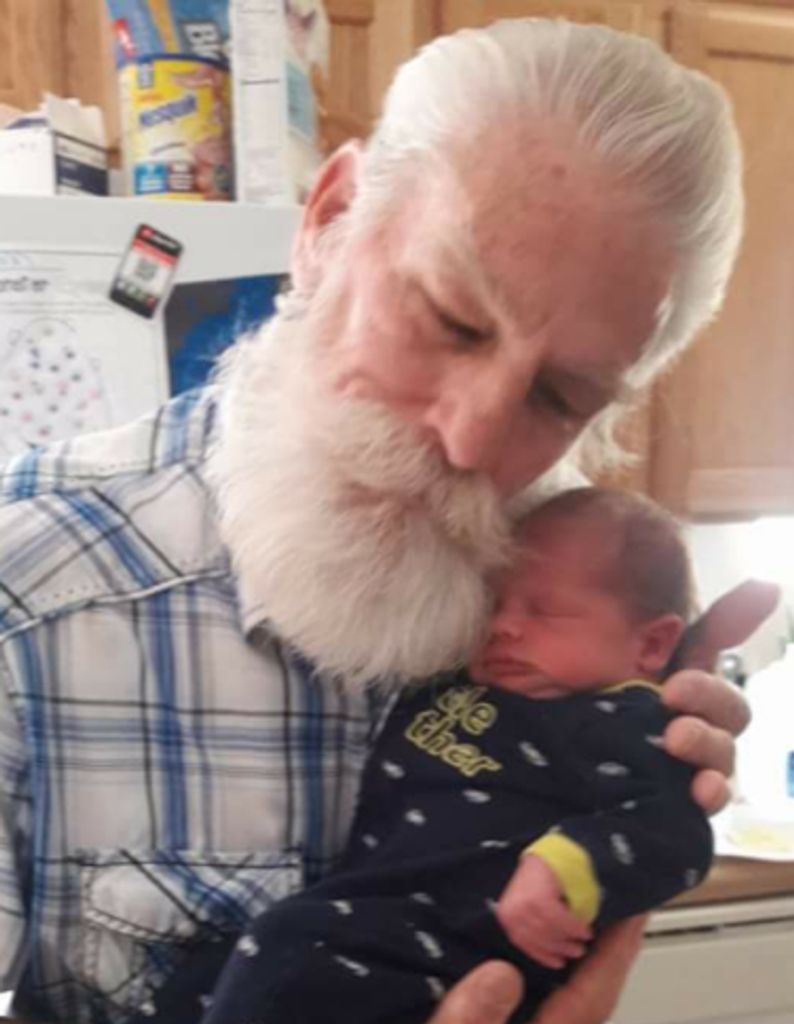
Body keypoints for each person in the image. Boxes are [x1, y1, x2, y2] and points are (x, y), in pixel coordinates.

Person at [0, 17, 775, 1024]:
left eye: (556, 399)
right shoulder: (28, 594)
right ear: (328, 220)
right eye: (451, 319)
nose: (471, 439)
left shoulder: (563, 589)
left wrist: (644, 758)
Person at [131, 487, 720, 1024]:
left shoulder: (626, 720)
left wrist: (564, 866)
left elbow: (676, 835)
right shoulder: (465, 678)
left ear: (652, 644)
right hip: (378, 919)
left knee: (286, 941)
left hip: (464, 942)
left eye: (544, 611)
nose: (503, 626)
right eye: (493, 602)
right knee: (207, 973)